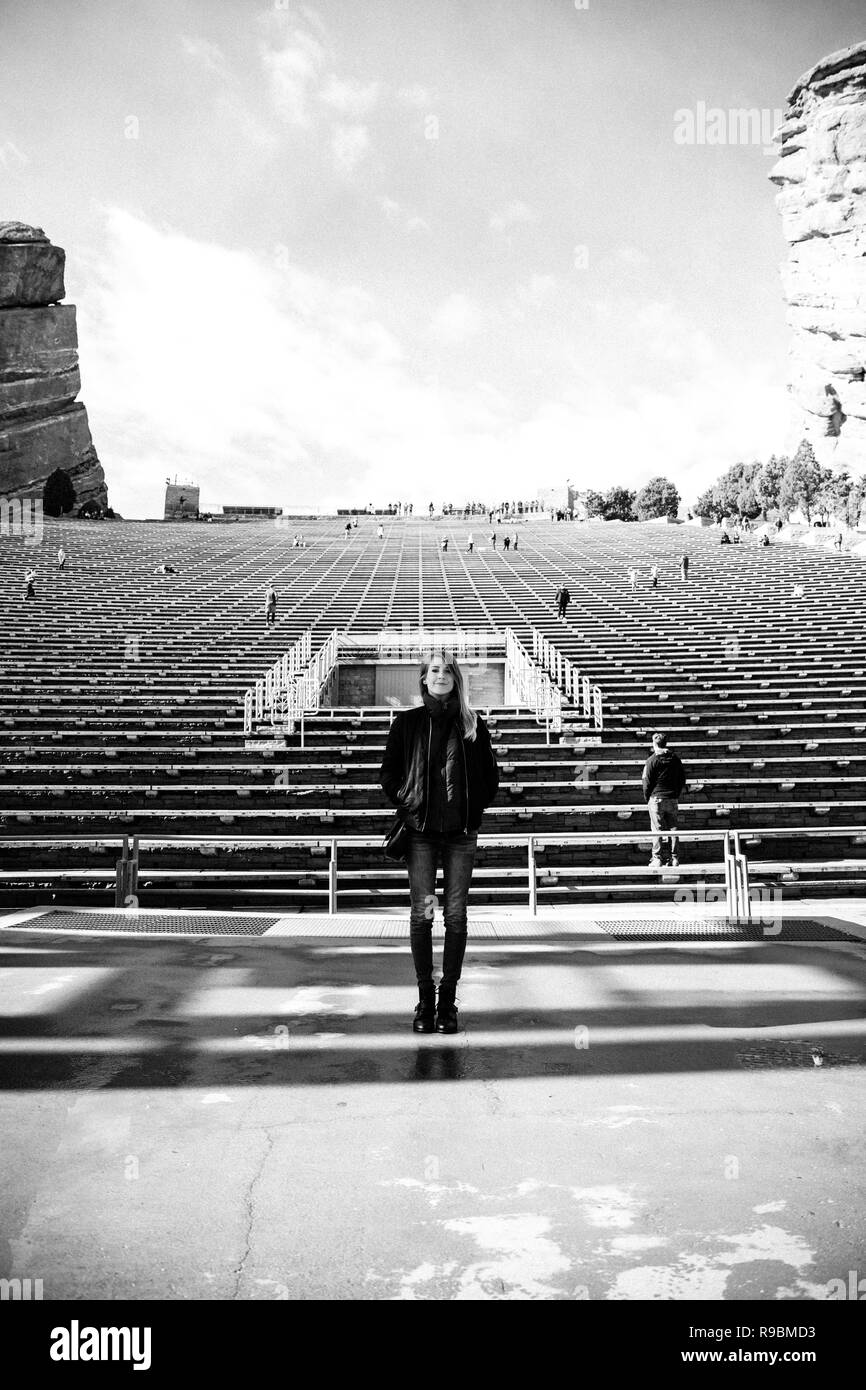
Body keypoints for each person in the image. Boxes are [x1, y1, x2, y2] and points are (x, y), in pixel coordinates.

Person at [379, 650, 499, 1034]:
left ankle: (448, 1000)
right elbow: (388, 774)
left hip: (460, 835)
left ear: (456, 679)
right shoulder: (408, 723)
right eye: (435, 670)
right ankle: (424, 999)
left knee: (457, 916)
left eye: (448, 670)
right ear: (424, 679)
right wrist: (409, 802)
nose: (441, 675)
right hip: (421, 835)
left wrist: (473, 807)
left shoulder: (472, 724)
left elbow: (490, 778)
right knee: (422, 915)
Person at [642, 733, 687, 869]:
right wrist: (676, 794)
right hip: (672, 798)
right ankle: (674, 858)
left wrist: (647, 797)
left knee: (657, 829)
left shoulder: (652, 760)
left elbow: (647, 781)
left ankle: (657, 858)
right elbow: (682, 779)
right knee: (673, 829)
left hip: (656, 798)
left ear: (654, 744)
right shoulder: (675, 759)